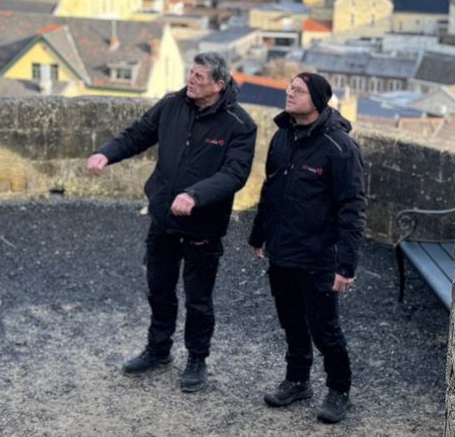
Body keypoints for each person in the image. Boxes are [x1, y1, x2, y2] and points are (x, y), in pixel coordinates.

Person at [87, 52, 256, 393]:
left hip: (203, 226)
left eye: (199, 77)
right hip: (163, 216)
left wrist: (195, 195)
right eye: (190, 74)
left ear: (218, 85)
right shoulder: (171, 105)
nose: (190, 80)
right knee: (160, 289)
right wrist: (107, 152)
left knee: (198, 298)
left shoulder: (240, 124)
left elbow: (235, 174)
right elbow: (137, 135)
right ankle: (158, 349)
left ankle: (196, 358)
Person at [248, 72, 366, 424]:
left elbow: (352, 208)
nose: (289, 93)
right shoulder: (283, 137)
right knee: (291, 322)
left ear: (318, 99)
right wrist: (258, 235)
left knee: (325, 329)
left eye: (298, 90)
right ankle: (297, 380)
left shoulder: (340, 148)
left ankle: (338, 390)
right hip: (283, 250)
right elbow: (270, 192)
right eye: (289, 88)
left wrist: (346, 266)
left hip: (319, 255)